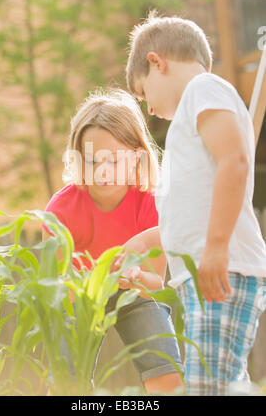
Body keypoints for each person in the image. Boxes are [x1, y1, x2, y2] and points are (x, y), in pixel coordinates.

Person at [119, 11, 266, 396]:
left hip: (223, 268)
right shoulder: (189, 121)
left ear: (157, 62)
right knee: (212, 385)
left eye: (143, 92)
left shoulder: (204, 89)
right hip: (206, 274)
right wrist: (147, 241)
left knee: (208, 388)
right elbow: (193, 208)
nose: (148, 109)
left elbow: (235, 161)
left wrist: (216, 247)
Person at [42, 88, 184, 394]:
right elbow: (54, 284)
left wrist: (134, 278)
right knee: (67, 375)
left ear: (136, 157)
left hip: (132, 294)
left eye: (114, 161)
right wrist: (88, 284)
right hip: (78, 296)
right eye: (93, 162)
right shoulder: (61, 210)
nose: (103, 172)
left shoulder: (151, 205)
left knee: (162, 363)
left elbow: (155, 282)